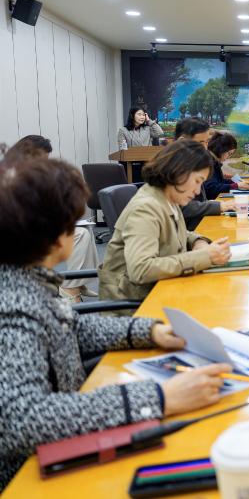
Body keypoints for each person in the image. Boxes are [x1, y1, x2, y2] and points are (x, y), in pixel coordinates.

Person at [0, 157, 230, 490]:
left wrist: (147, 331)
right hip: (30, 475)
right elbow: (23, 420)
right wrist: (159, 397)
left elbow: (71, 328)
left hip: (61, 442)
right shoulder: (15, 308)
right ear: (57, 236)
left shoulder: (26, 280)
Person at [99, 140, 232, 301]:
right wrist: (204, 257)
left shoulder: (167, 197)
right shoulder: (146, 209)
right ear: (178, 173)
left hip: (158, 290)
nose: (198, 191)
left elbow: (175, 230)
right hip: (135, 304)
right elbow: (141, 270)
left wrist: (198, 241)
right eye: (197, 181)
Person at [2, 135, 96, 302]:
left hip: (33, 228)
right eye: (42, 159)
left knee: (83, 233)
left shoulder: (26, 175)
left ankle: (76, 283)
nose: (44, 164)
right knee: (80, 235)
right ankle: (71, 287)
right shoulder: (13, 178)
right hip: (19, 234)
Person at [173, 118, 235, 230]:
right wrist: (218, 206)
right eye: (201, 142)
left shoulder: (192, 163)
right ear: (182, 141)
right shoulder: (174, 168)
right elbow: (183, 207)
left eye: (207, 142)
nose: (205, 148)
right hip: (193, 227)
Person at [203, 132, 249, 200]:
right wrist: (236, 185)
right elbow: (211, 187)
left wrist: (237, 182)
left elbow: (220, 182)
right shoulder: (207, 162)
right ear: (222, 149)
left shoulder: (214, 161)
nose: (229, 157)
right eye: (229, 153)